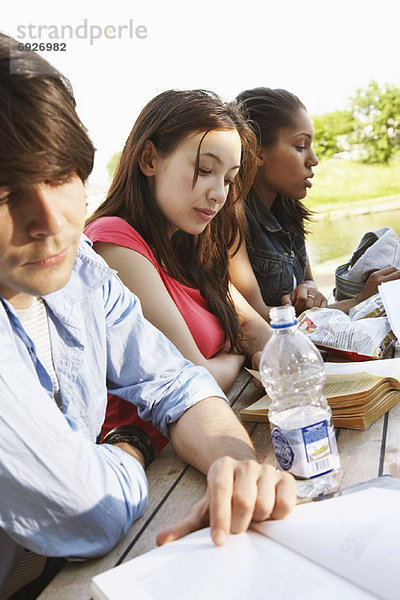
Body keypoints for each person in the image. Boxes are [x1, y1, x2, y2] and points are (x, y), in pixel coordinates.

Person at [0, 35, 296, 600]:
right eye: (2, 193)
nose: (51, 219)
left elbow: (174, 379)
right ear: (148, 158)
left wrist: (234, 462)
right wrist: (133, 441)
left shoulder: (80, 268)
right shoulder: (111, 243)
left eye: (62, 175)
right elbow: (86, 510)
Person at [85, 89, 272, 451]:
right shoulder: (114, 243)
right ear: (149, 159)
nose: (219, 193)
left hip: (214, 432)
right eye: (205, 170)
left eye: (229, 178)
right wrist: (238, 354)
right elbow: (193, 377)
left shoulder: (188, 243)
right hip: (151, 462)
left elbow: (253, 328)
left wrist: (263, 351)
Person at [229, 87, 400, 320]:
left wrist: (308, 290)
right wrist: (360, 301)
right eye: (300, 146)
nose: (314, 160)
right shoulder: (233, 220)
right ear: (256, 152)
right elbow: (258, 317)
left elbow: (308, 279)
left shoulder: (288, 211)